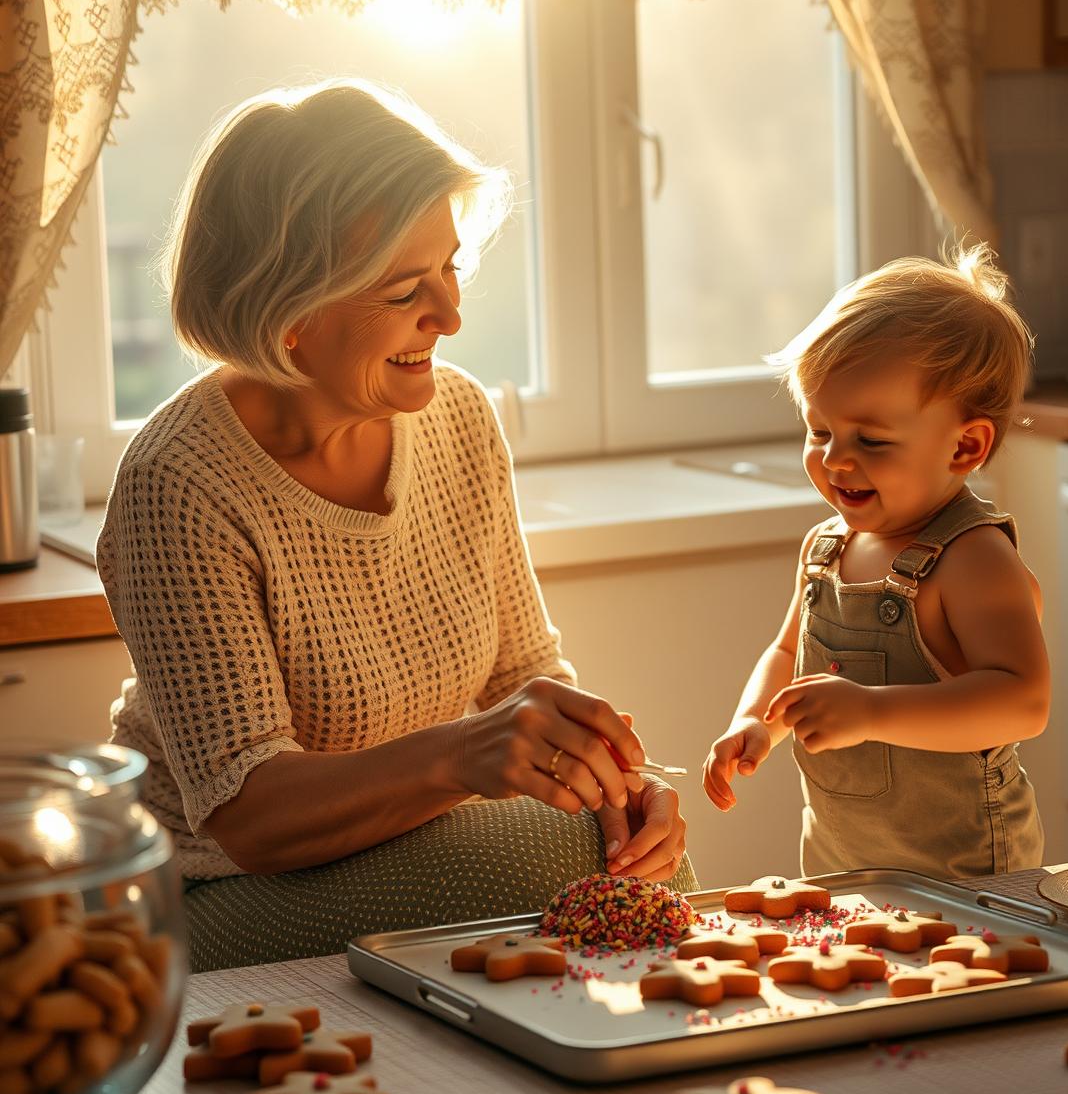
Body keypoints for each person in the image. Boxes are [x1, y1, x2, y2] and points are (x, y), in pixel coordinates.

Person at [96, 79, 693, 972]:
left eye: (451, 267)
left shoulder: (457, 418)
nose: (451, 315)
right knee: (553, 872)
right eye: (409, 288)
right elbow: (251, 817)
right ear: (290, 312)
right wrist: (462, 758)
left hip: (389, 841)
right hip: (209, 891)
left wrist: (611, 785)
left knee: (630, 864)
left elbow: (521, 675)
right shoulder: (177, 486)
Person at [702, 247, 1048, 880]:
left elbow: (1022, 701)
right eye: (819, 431)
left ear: (965, 446)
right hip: (841, 859)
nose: (835, 459)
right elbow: (786, 656)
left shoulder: (974, 559)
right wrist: (754, 721)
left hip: (967, 869)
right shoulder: (825, 549)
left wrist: (871, 711)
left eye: (872, 440)